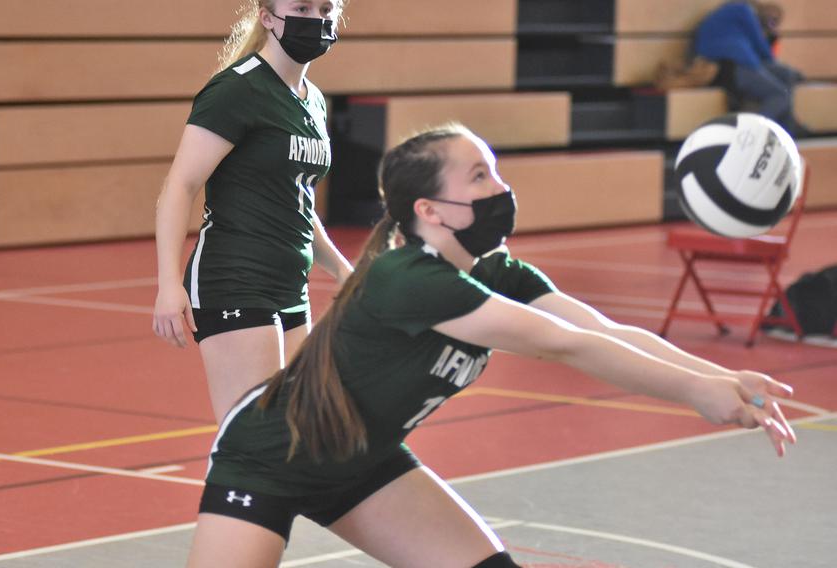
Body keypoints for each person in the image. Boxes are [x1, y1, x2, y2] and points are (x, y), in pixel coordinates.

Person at [185, 124, 797, 568]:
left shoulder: (495, 270)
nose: (500, 187)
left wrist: (723, 377)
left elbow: (602, 332)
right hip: (269, 461)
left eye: (495, 169)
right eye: (479, 176)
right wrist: (695, 393)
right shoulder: (407, 280)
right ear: (431, 210)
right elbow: (565, 348)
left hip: (363, 463)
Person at [153, 0, 353, 422]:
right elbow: (180, 186)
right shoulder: (237, 90)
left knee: (298, 429)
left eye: (325, 10)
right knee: (252, 438)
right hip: (235, 279)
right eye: (301, 7)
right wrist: (168, 285)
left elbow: (296, 202)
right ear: (267, 17)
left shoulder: (313, 101)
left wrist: (342, 270)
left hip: (289, 285)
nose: (315, 19)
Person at [692, 1, 808, 136]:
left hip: (729, 65)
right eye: (772, 21)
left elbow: (758, 56)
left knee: (787, 74)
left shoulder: (729, 15)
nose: (772, 24)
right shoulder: (744, 10)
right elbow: (761, 48)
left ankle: (788, 127)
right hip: (732, 67)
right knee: (780, 95)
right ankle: (755, 133)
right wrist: (771, 39)